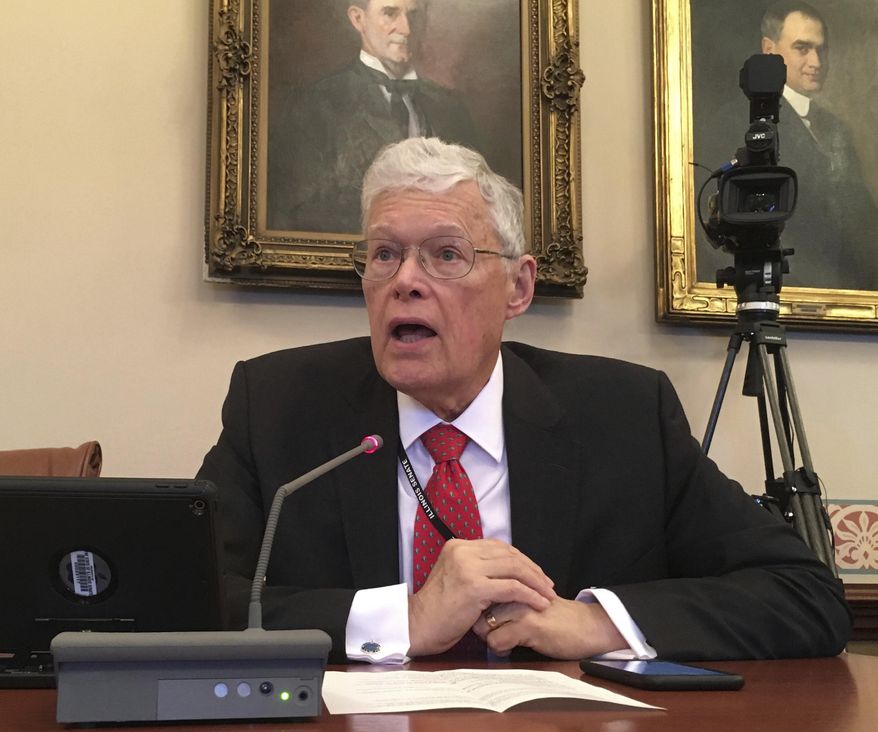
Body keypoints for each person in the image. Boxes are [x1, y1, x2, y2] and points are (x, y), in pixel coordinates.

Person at [199, 137, 851, 665]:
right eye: (384, 255)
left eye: (445, 255)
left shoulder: (625, 416)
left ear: (517, 287)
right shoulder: (278, 407)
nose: (404, 283)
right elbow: (188, 601)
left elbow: (804, 596)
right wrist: (405, 619)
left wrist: (593, 622)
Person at [697, 1, 878, 290]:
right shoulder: (734, 123)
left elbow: (861, 221)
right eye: (802, 48)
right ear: (769, 50)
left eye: (822, 49)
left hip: (839, 290)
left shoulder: (836, 130)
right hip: (782, 286)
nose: (816, 62)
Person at [267, 0, 479, 233]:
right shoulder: (316, 105)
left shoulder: (450, 109)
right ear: (358, 19)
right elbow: (296, 212)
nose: (406, 29)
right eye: (390, 13)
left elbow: (474, 207)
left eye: (414, 16)